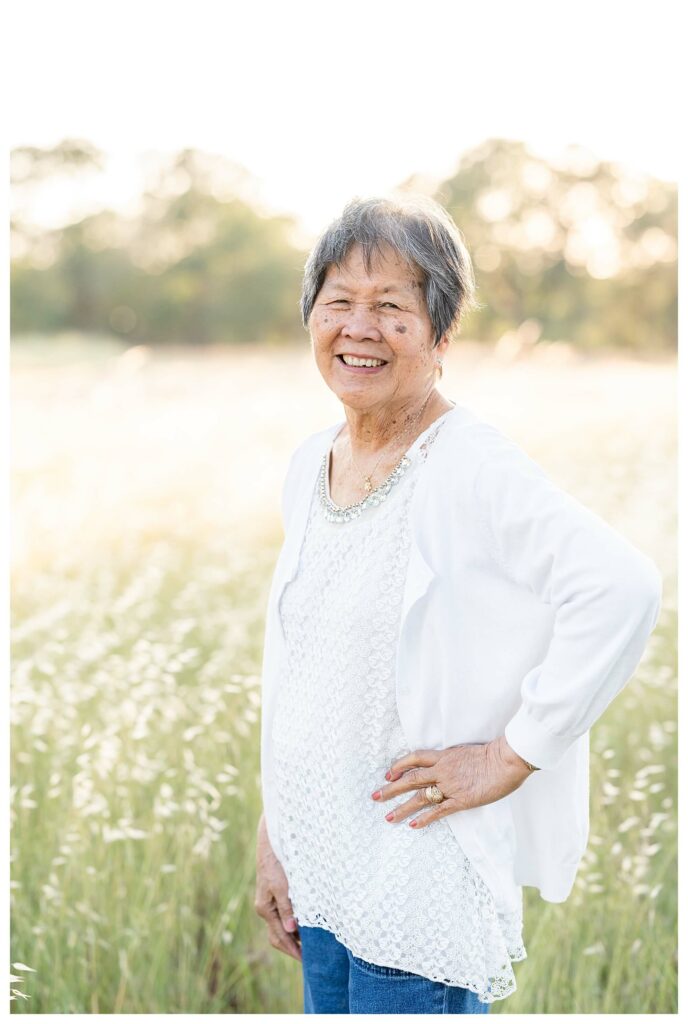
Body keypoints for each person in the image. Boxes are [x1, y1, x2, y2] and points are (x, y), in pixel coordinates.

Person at [253, 195, 663, 1014]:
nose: (359, 329)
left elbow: (622, 586)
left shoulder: (471, 465)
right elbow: (303, 673)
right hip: (322, 873)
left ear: (441, 337)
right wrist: (276, 830)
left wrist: (511, 754)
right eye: (339, 302)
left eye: (392, 308)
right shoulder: (310, 463)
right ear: (312, 320)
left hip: (415, 891)